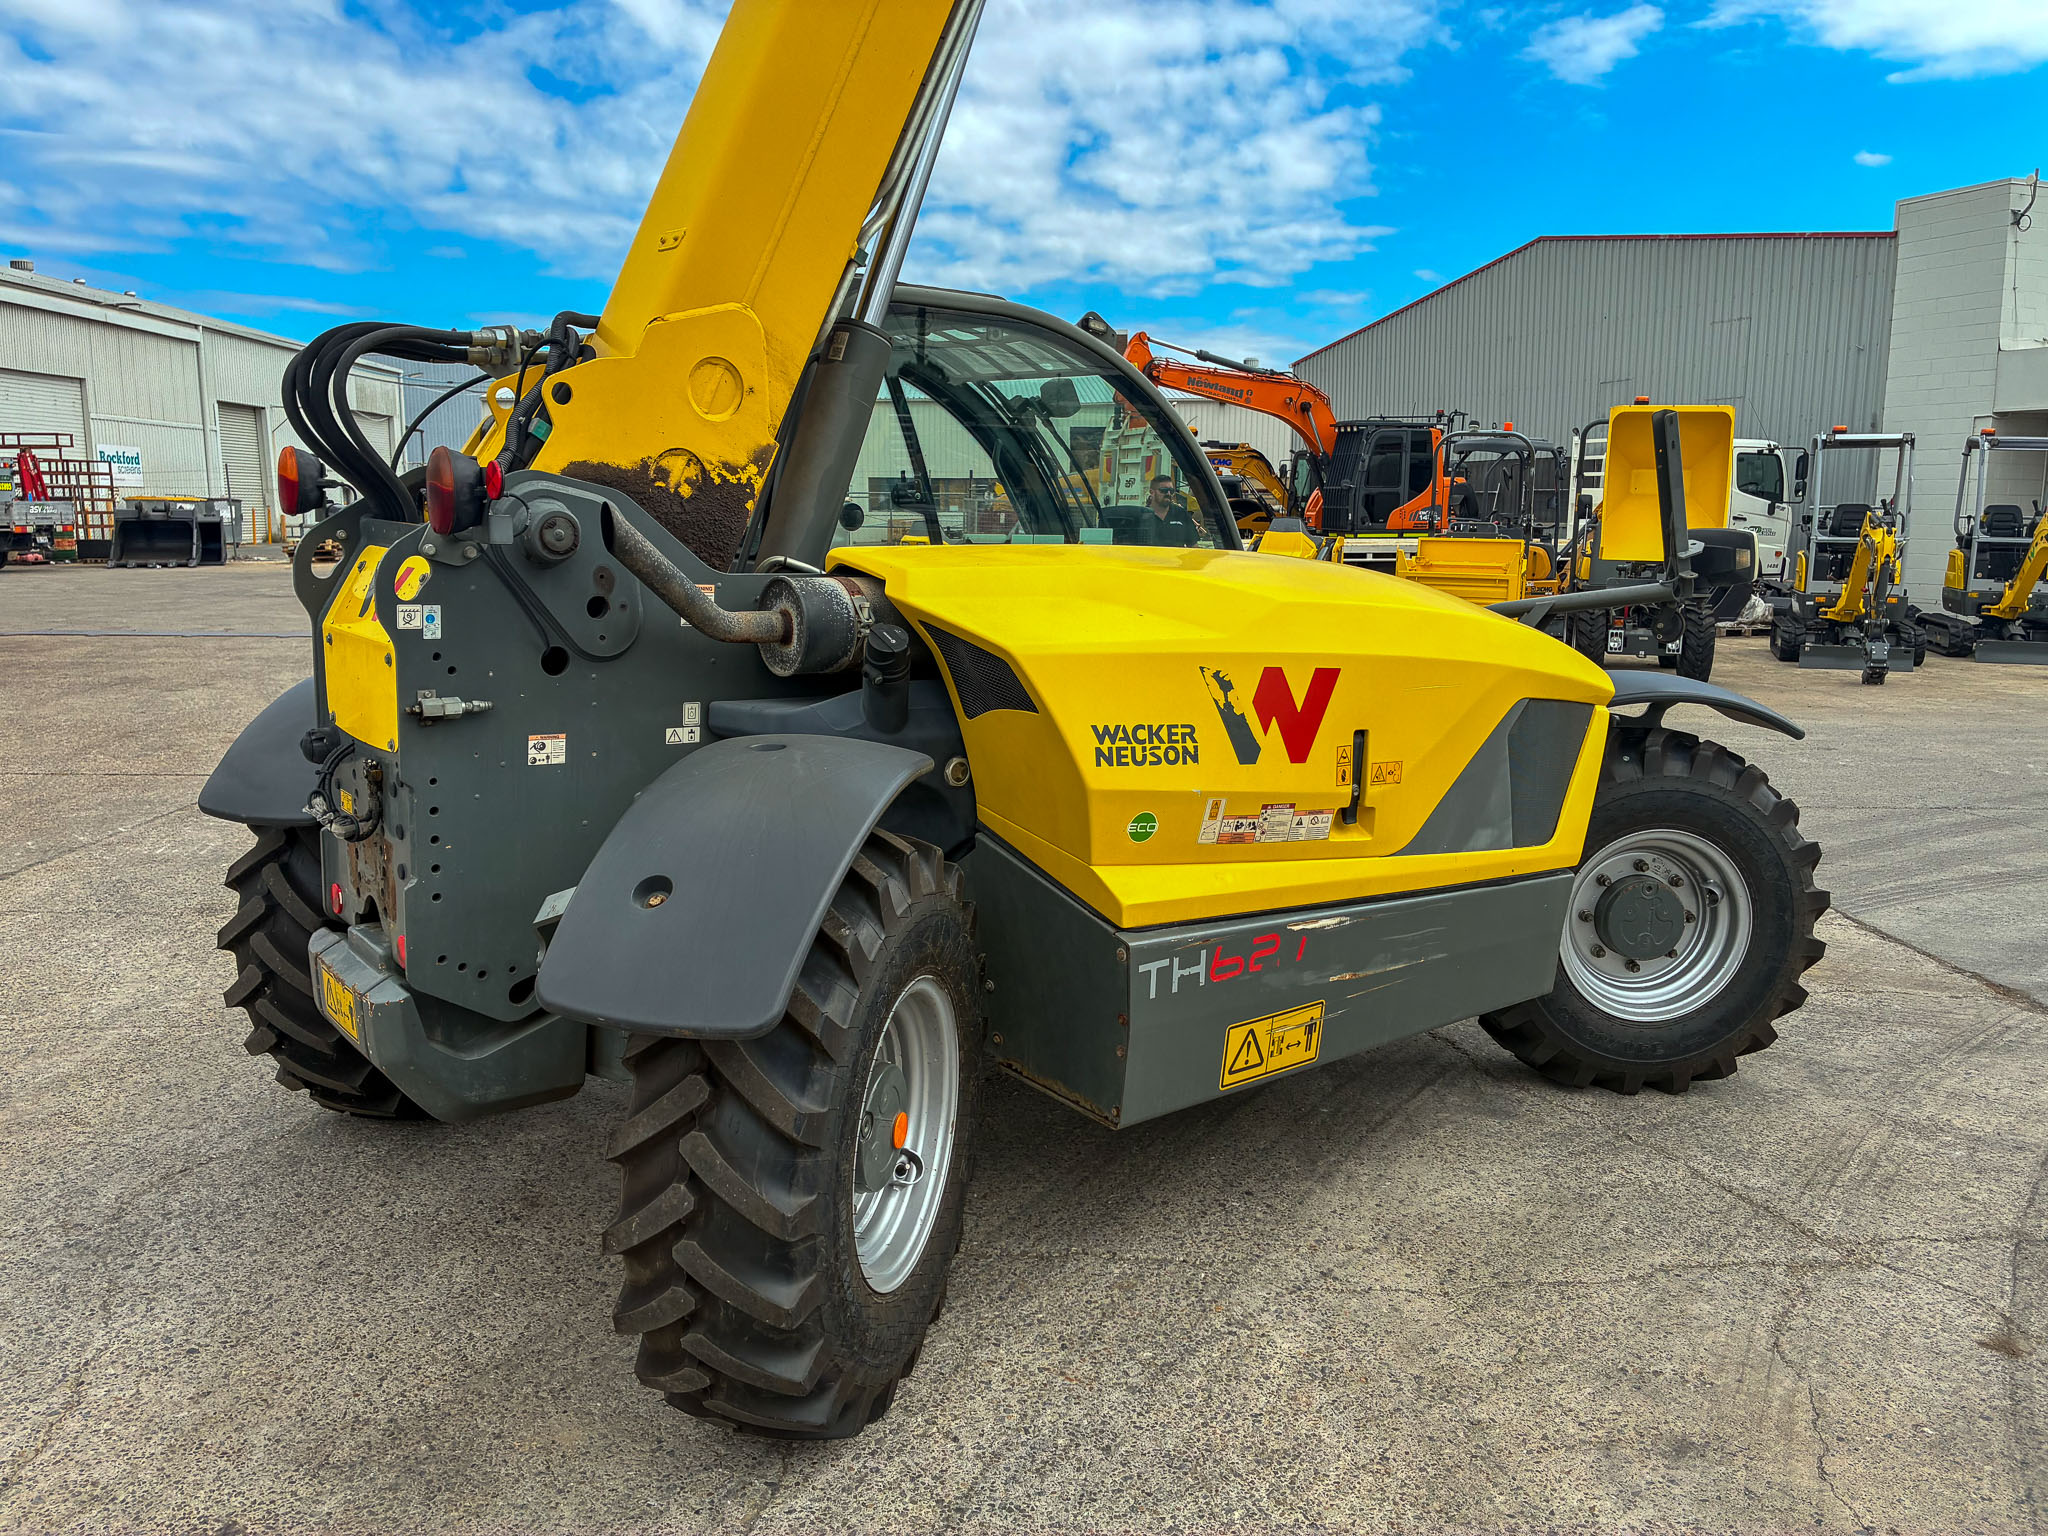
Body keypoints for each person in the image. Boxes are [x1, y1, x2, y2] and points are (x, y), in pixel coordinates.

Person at [1141, 474, 1199, 546]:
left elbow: (1193, 545)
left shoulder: (1181, 514)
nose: (1168, 494)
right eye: (1164, 490)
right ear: (1152, 492)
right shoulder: (1141, 517)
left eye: (1171, 491)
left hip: (1176, 557)